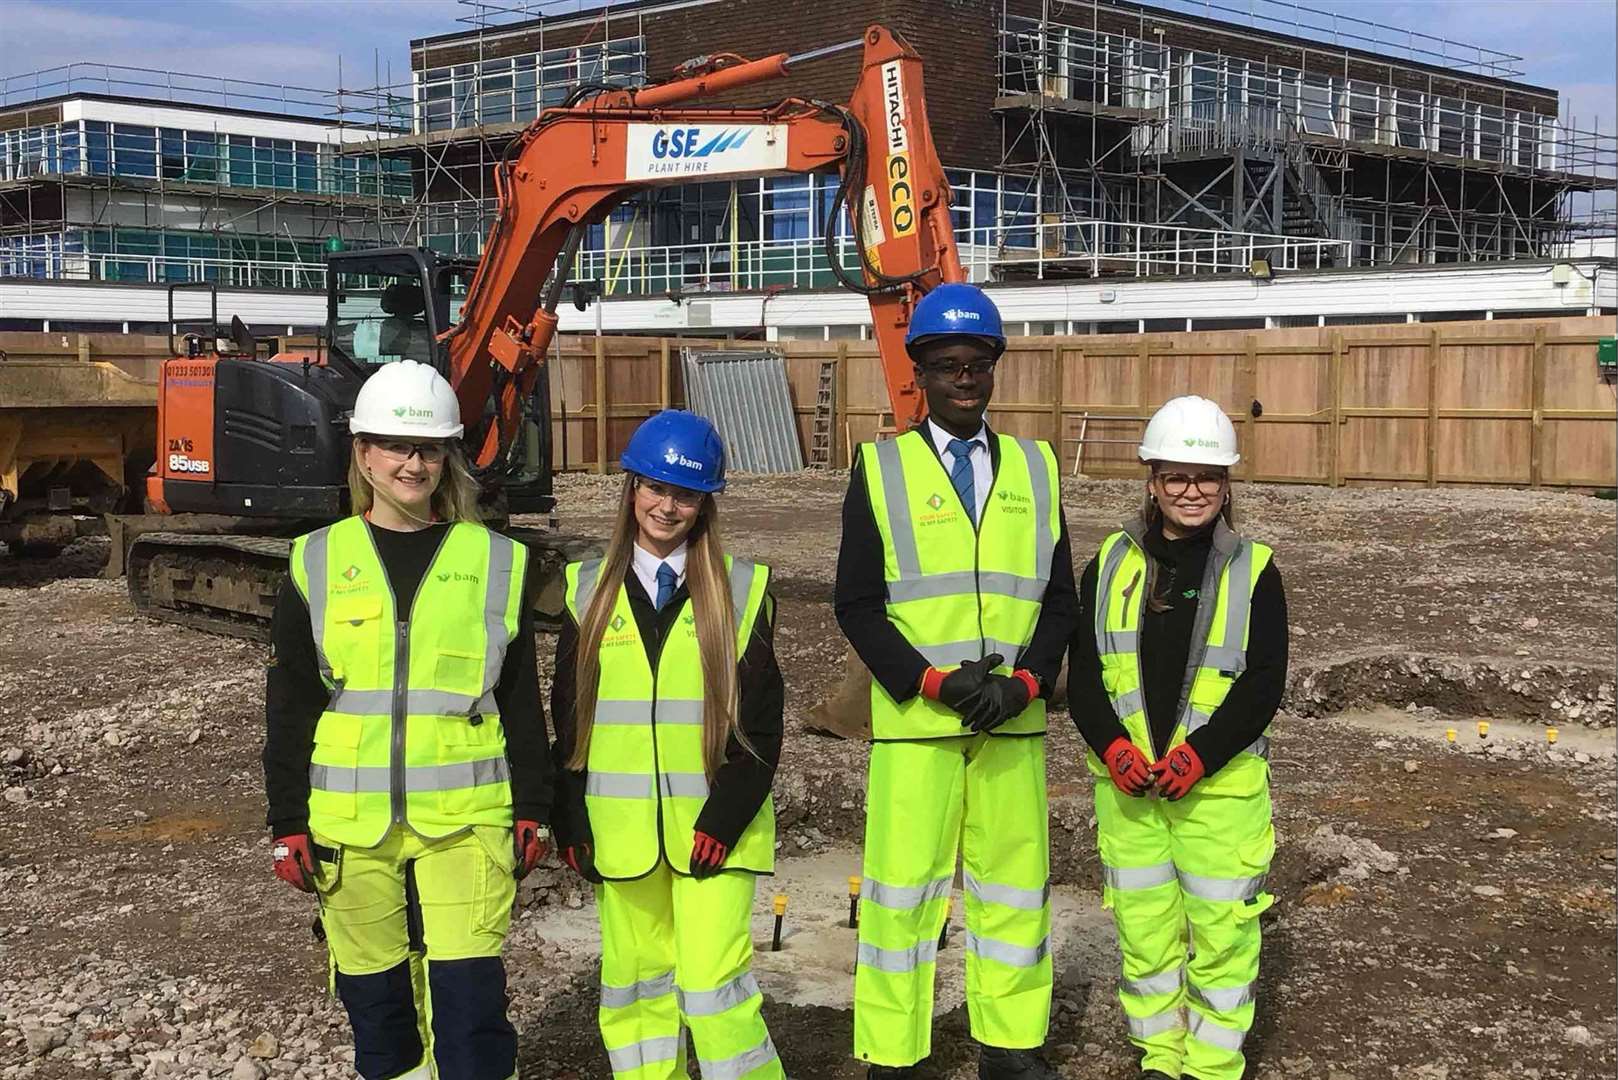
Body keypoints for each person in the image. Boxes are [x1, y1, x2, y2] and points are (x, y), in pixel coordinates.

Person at [264, 358, 548, 1080]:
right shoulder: (316, 560)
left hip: (466, 821)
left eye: (426, 449)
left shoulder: (496, 561)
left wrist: (534, 806)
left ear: (446, 455)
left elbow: (519, 699)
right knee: (377, 1012)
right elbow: (293, 700)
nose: (411, 463)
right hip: (349, 826)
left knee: (470, 1009)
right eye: (395, 446)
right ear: (364, 453)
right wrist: (286, 822)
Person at [835, 283, 1078, 1080]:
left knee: (1013, 895)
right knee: (902, 899)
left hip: (1011, 722)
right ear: (922, 375)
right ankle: (894, 1054)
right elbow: (859, 605)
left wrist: (1029, 683)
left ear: (994, 369)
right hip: (918, 731)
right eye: (947, 365)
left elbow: (1059, 599)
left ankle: (1010, 1047)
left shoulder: (1038, 470)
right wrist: (934, 684)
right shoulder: (880, 468)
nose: (964, 378)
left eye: (977, 364)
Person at [550, 410, 786, 1080]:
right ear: (632, 490)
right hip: (622, 837)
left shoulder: (742, 592)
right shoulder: (584, 589)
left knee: (715, 996)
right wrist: (573, 816)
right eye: (654, 487)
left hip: (714, 836)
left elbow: (762, 724)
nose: (666, 505)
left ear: (705, 502)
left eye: (684, 493)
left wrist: (725, 816)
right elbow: (568, 720)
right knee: (637, 993)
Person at [1067, 395, 1288, 1080]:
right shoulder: (1109, 563)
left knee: (1222, 940)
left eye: (1207, 477)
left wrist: (1198, 756)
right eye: (1176, 477)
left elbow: (1261, 686)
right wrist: (1114, 749)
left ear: (1226, 486)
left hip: (1217, 798)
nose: (1191, 491)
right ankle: (1161, 1057)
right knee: (1146, 936)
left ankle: (1212, 1066)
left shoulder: (1256, 571)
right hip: (1132, 797)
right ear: (1152, 481)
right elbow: (1085, 683)